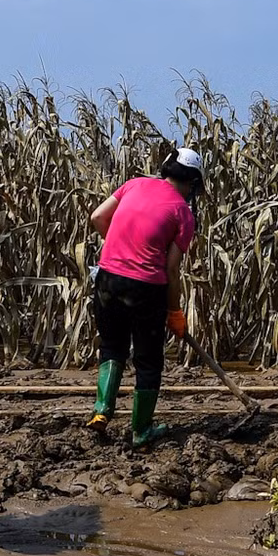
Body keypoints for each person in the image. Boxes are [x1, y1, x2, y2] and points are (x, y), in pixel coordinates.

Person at [85, 148, 203, 445]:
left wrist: (120, 246)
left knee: (112, 347)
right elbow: (172, 269)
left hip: (108, 280)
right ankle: (141, 430)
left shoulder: (134, 184)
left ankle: (102, 411)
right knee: (148, 361)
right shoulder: (183, 214)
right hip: (146, 289)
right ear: (192, 182)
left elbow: (98, 216)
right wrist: (175, 313)